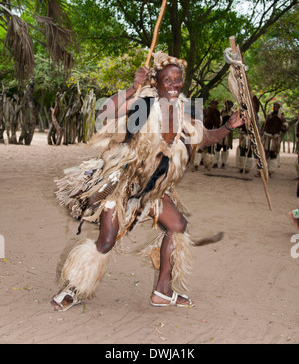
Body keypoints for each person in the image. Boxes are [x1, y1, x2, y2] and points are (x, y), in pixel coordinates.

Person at [50, 51, 245, 312]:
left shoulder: (186, 110)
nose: (175, 85)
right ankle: (73, 289)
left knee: (178, 226)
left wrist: (229, 126)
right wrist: (132, 87)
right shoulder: (144, 105)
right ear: (156, 82)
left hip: (153, 191)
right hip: (122, 184)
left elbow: (203, 137)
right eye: (168, 80)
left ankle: (163, 291)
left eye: (179, 80)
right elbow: (105, 111)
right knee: (106, 240)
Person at [261, 102, 288, 176]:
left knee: (273, 154)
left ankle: (270, 170)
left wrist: (279, 126)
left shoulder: (282, 118)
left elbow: (284, 129)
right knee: (265, 153)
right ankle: (262, 170)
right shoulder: (269, 116)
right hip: (267, 137)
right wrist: (261, 132)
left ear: (279, 108)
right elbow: (264, 125)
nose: (275, 108)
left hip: (275, 138)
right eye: (274, 106)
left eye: (277, 107)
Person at [201, 99, 221, 170]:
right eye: (213, 104)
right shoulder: (206, 111)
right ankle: (199, 162)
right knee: (203, 146)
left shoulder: (217, 112)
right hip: (205, 130)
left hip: (213, 131)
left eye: (215, 104)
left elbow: (218, 123)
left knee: (210, 148)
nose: (214, 105)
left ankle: (208, 163)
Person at [216, 100, 234, 169]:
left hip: (227, 133)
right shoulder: (222, 112)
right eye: (227, 105)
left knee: (225, 147)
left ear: (231, 106)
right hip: (221, 131)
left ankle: (224, 163)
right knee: (218, 147)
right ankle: (215, 162)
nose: (228, 106)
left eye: (229, 105)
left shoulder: (232, 113)